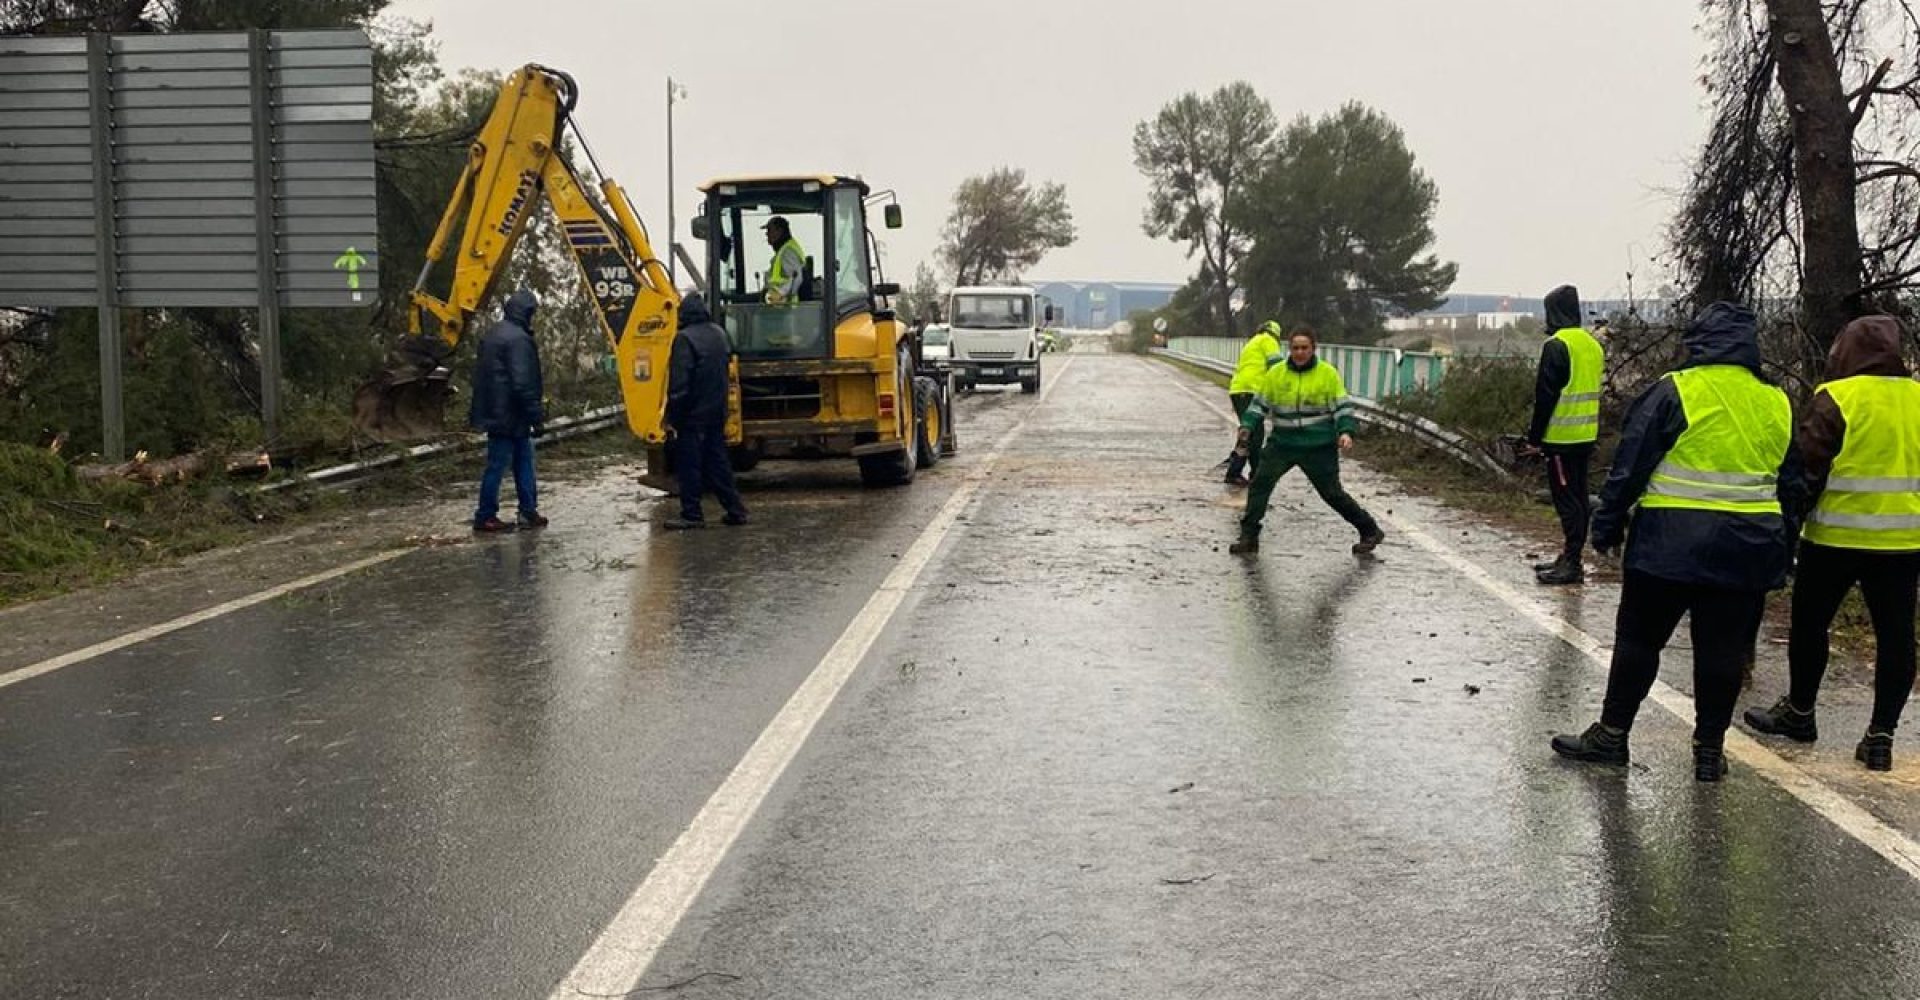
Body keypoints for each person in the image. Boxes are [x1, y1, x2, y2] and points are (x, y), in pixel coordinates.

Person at [1551, 302, 1803, 782]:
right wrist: (1785, 547)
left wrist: (1606, 525)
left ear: (1699, 342)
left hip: (1668, 544)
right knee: (1723, 651)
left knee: (1640, 640)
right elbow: (1792, 485)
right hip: (1747, 546)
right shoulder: (1778, 401)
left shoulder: (1675, 390)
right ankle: (1709, 751)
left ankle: (1611, 734)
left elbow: (1632, 463)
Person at [1744, 315, 1920, 772]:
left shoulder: (1838, 397)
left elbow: (1806, 469)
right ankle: (1881, 735)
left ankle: (1801, 711)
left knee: (1809, 624)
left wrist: (1786, 528)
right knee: (1896, 636)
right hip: (1904, 541)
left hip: (1835, 537)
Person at [1229, 328, 1386, 556]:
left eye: (1305, 348)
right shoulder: (1276, 374)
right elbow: (1258, 405)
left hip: (1318, 446)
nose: (1300, 352)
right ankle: (1249, 537)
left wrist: (1346, 432)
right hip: (1282, 444)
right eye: (1295, 348)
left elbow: (1342, 407)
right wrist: (1247, 425)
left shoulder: (1327, 374)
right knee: (1260, 485)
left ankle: (1369, 530)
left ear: (1314, 349)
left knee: (1332, 494)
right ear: (1289, 350)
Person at [1525, 285, 1606, 585]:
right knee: (1580, 498)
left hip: (1561, 437)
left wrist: (1535, 439)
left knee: (1567, 502)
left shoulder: (1557, 345)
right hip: (1586, 435)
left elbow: (1545, 397)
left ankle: (1572, 563)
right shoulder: (1591, 344)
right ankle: (1570, 556)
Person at [664, 292, 748, 530]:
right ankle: (735, 510)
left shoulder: (684, 339)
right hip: (716, 411)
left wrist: (672, 418)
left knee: (689, 465)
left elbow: (679, 385)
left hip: (692, 416)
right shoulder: (719, 334)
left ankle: (691, 515)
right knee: (718, 463)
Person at [469, 288, 547, 533]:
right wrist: (536, 417)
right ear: (526, 312)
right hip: (512, 416)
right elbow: (523, 383)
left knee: (517, 462)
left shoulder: (493, 335)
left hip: (496, 412)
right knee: (506, 465)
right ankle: (486, 515)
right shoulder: (519, 340)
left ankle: (527, 510)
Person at [1224, 320, 1284, 486]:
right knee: (1255, 435)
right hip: (1251, 390)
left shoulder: (1253, 341)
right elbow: (1276, 366)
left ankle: (1236, 471)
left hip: (1238, 390)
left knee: (1248, 433)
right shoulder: (1268, 340)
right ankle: (1255, 474)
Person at [762, 216, 806, 304]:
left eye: (769, 230)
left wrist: (780, 294)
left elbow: (796, 277)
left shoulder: (788, 251)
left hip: (787, 308)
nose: (766, 234)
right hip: (780, 307)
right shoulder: (782, 250)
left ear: (779, 231)